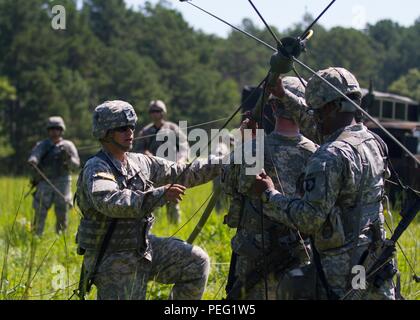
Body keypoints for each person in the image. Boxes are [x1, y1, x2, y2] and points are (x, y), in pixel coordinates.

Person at [253, 67, 396, 300]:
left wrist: (269, 194)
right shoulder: (372, 142)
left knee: (294, 287)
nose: (315, 119)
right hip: (373, 262)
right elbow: (320, 130)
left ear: (330, 108)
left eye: (317, 112)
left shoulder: (329, 156)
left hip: (341, 271)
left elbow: (308, 219)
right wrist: (283, 95)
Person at [75, 100, 222, 300]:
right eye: (122, 128)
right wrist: (157, 195)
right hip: (112, 257)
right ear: (106, 133)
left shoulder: (140, 162)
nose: (130, 132)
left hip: (142, 248)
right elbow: (110, 201)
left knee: (195, 263)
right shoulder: (97, 167)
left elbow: (183, 172)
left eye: (132, 127)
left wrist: (228, 162)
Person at [221, 77, 318, 300]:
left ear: (273, 107)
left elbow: (229, 184)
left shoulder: (252, 149)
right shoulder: (318, 154)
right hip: (299, 258)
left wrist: (244, 142)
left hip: (254, 257)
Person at [134, 100, 189, 224]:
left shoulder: (172, 128)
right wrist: (145, 154)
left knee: (173, 201)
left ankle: (174, 226)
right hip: (152, 174)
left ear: (163, 112)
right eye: (152, 111)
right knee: (152, 202)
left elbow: (184, 146)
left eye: (157, 111)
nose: (155, 114)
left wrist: (181, 160)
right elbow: (137, 150)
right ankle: (153, 227)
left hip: (171, 171)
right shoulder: (145, 132)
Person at [27, 116, 80, 236]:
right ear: (48, 130)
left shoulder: (68, 145)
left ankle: (61, 237)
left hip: (63, 182)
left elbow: (76, 165)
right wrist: (33, 160)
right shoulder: (43, 145)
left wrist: (68, 158)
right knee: (40, 210)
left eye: (57, 129)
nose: (54, 131)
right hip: (45, 182)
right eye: (52, 129)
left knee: (62, 210)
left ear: (61, 130)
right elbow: (35, 155)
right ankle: (36, 236)